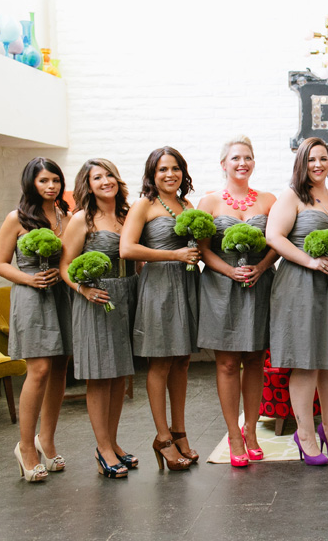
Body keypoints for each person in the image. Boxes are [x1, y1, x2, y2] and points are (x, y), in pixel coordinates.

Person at [267, 137, 328, 466]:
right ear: (301, 164)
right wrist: (310, 261)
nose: (318, 165)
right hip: (301, 284)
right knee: (306, 360)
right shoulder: (290, 198)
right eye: (311, 160)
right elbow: (274, 236)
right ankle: (305, 433)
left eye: (323, 158)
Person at [197, 136, 278, 468]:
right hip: (220, 288)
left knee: (256, 360)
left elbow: (278, 240)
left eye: (247, 157)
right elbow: (202, 250)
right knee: (228, 363)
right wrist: (230, 271)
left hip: (259, 285)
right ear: (223, 164)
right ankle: (233, 434)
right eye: (235, 158)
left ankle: (252, 430)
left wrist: (261, 266)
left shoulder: (270, 200)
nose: (242, 163)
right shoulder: (209, 203)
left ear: (253, 162)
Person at [121, 147, 200, 472]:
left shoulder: (188, 205)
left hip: (186, 285)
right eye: (163, 169)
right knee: (161, 362)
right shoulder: (144, 204)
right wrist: (175, 255)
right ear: (152, 174)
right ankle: (162, 436)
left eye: (175, 168)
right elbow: (127, 248)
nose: (170, 174)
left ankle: (180, 431)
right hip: (158, 288)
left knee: (182, 361)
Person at [0, 158, 72, 483]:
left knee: (58, 368)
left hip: (60, 296)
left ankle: (47, 440)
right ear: (32, 183)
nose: (51, 186)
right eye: (44, 180)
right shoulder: (17, 218)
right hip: (31, 297)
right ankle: (26, 447)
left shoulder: (66, 216)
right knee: (38, 370)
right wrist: (29, 279)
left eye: (55, 180)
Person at [60, 158, 138, 479]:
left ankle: (113, 442)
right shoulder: (82, 219)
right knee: (99, 374)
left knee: (119, 374)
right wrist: (83, 290)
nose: (105, 181)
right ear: (87, 184)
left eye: (109, 175)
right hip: (96, 297)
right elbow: (65, 264)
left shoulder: (128, 214)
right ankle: (102, 449)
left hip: (127, 294)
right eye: (97, 177)